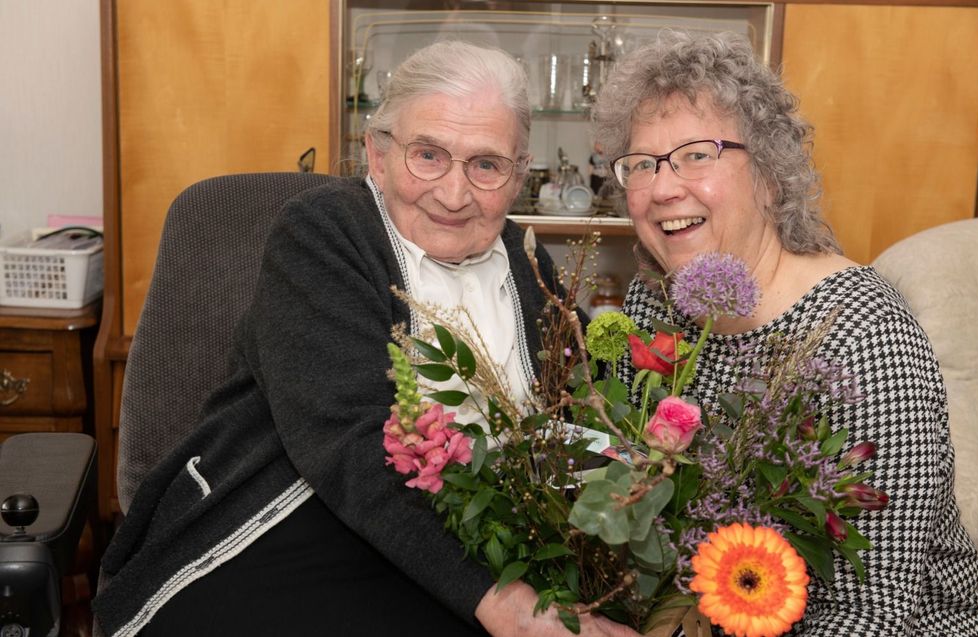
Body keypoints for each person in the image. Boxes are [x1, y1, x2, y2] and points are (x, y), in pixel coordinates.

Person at [93, 40, 640, 637]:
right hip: (293, 527)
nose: (454, 194)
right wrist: (503, 604)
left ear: (517, 176)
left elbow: (584, 407)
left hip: (476, 548)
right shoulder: (323, 233)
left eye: (486, 165)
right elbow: (349, 449)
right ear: (376, 156)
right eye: (427, 154)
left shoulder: (524, 259)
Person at [592, 29, 978, 635]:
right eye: (641, 165)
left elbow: (871, 608)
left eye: (696, 155)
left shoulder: (864, 334)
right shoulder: (653, 301)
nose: (661, 188)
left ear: (768, 175)